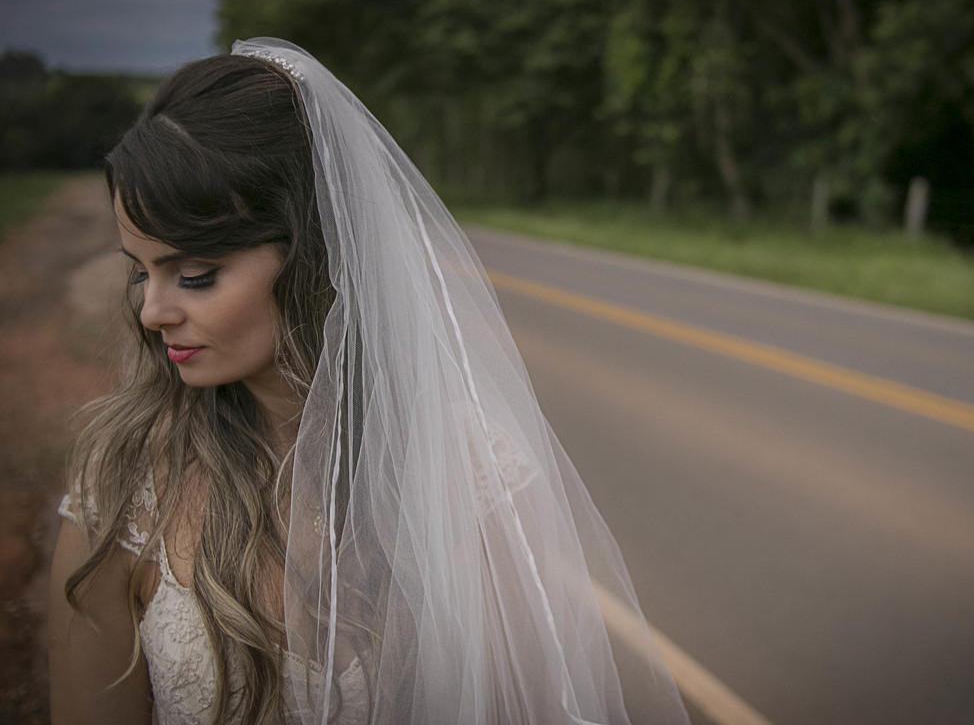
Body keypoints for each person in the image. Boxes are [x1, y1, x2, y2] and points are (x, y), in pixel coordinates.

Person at [47, 38, 690, 725]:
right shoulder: (125, 483)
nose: (152, 312)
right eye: (141, 270)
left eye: (195, 275)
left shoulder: (469, 469)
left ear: (312, 254)